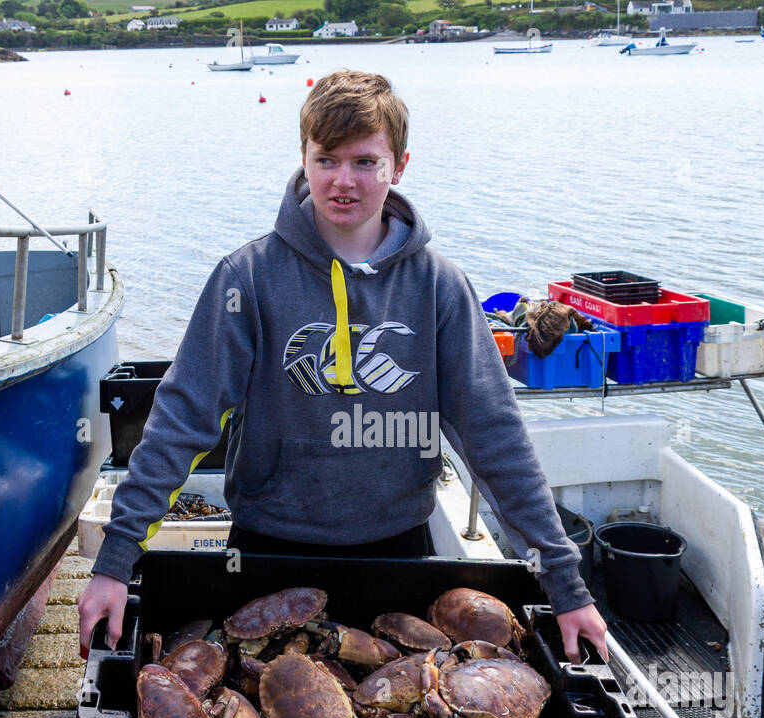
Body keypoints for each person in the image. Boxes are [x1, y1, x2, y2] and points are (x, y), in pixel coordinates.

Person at [78, 70, 609, 664]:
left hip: (399, 553)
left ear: (399, 166)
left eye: (365, 162)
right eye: (326, 160)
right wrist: (115, 561)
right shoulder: (248, 278)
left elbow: (495, 437)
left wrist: (566, 584)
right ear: (304, 159)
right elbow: (183, 419)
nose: (343, 182)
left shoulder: (439, 286)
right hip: (265, 549)